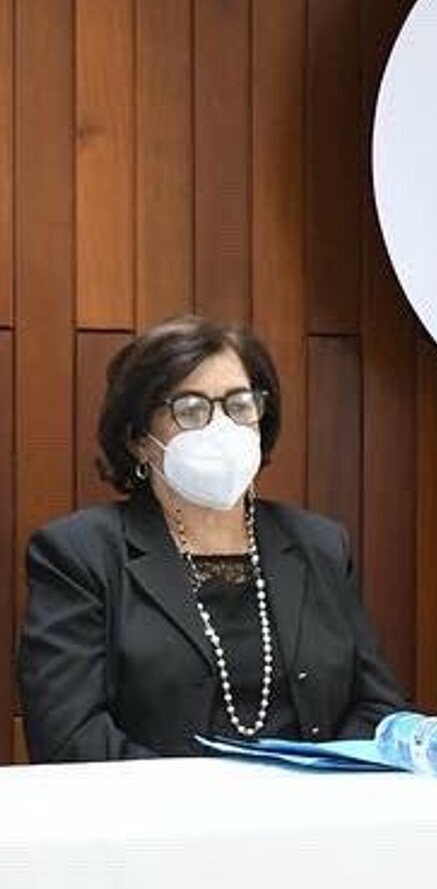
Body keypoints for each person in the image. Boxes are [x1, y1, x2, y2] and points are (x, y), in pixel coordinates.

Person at [17, 317, 409, 761]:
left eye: (240, 406)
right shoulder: (80, 554)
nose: (222, 428)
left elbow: (378, 709)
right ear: (138, 439)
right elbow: (68, 737)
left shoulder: (319, 545)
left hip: (312, 802)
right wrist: (208, 797)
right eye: (190, 410)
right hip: (158, 805)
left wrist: (318, 781)